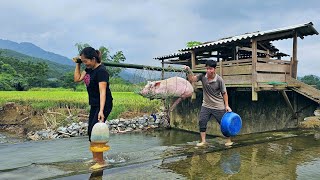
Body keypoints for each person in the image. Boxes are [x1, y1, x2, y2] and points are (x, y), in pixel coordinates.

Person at [73, 47, 113, 169]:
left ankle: (101, 162)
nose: (85, 63)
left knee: (96, 133)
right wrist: (78, 64)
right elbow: (77, 79)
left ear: (93, 59)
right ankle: (95, 158)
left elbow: (103, 92)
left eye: (86, 61)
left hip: (103, 104)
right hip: (95, 104)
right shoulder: (88, 69)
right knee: (91, 132)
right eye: (83, 61)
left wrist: (101, 111)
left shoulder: (101, 71)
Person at [184, 60, 233, 147]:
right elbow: (192, 79)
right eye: (207, 69)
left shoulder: (219, 80)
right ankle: (203, 141)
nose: (208, 71)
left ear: (214, 69)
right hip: (206, 105)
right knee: (202, 121)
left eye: (210, 69)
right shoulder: (203, 76)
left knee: (224, 123)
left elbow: (224, 93)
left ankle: (229, 140)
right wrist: (188, 70)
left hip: (218, 106)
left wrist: (227, 106)